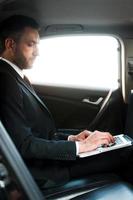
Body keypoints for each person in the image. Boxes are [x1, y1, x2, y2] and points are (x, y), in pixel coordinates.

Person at [0, 15, 126, 188]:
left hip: (46, 161)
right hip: (42, 172)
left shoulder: (15, 77)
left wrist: (72, 138)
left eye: (37, 45)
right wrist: (80, 147)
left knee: (117, 151)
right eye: (31, 44)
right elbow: (23, 145)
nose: (37, 52)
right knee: (124, 154)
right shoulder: (5, 80)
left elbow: (36, 132)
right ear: (10, 45)